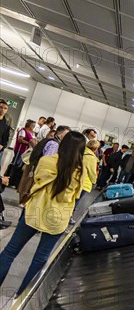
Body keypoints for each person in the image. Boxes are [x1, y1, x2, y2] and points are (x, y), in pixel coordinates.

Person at [0, 132, 87, 296]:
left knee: (10, 251)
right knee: (40, 259)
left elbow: (37, 179)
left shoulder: (47, 161)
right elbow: (75, 196)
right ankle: (21, 299)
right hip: (57, 218)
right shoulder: (80, 172)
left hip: (35, 211)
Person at [9, 119, 37, 187]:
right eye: (33, 126)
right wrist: (28, 143)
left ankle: (14, 182)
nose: (34, 127)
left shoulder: (30, 132)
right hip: (19, 150)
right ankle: (10, 180)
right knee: (15, 165)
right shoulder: (23, 131)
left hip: (25, 152)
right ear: (30, 125)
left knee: (19, 166)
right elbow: (20, 140)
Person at [0, 100, 11, 168]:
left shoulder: (6, 124)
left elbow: (5, 138)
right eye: (1, 107)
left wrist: (2, 146)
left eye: (5, 108)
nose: (2, 110)